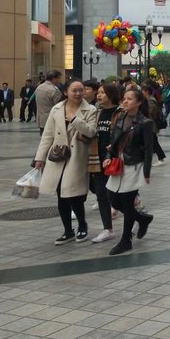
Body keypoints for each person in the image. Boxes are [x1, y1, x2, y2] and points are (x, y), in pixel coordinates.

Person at [33, 79, 98, 244]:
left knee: (74, 195)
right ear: (65, 92)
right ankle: (68, 231)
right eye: (74, 90)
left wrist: (75, 120)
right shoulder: (56, 109)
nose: (78, 94)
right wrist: (39, 158)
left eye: (81, 90)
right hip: (58, 156)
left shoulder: (90, 109)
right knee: (61, 195)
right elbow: (48, 135)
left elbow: (91, 132)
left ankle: (82, 225)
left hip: (77, 157)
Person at [103, 88, 154, 255]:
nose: (125, 101)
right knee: (114, 200)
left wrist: (146, 172)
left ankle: (126, 240)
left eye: (129, 99)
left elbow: (148, 149)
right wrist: (109, 155)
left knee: (126, 201)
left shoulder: (145, 122)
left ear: (139, 102)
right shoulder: (120, 118)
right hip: (118, 163)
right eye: (124, 98)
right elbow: (114, 141)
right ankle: (142, 218)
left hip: (134, 165)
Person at [91, 83, 121, 243]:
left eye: (102, 93)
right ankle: (107, 229)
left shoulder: (120, 113)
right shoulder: (98, 112)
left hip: (115, 160)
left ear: (111, 94)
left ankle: (139, 218)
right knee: (102, 195)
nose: (99, 95)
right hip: (98, 159)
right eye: (99, 92)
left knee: (118, 196)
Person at [142, 84, 166, 166]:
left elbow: (150, 112)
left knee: (154, 142)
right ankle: (159, 157)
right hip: (150, 123)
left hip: (151, 124)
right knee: (153, 141)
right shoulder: (149, 99)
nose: (142, 92)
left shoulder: (150, 100)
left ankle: (161, 158)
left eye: (143, 91)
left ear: (147, 92)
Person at [35, 69, 63, 135]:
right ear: (54, 78)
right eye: (59, 78)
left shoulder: (39, 87)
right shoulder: (53, 90)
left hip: (41, 120)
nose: (59, 81)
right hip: (51, 120)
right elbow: (59, 106)